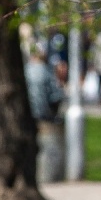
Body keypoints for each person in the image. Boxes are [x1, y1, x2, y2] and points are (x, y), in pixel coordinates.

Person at [25, 46, 66, 182]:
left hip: (25, 114)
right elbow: (56, 96)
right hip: (43, 114)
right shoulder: (47, 72)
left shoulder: (25, 71)